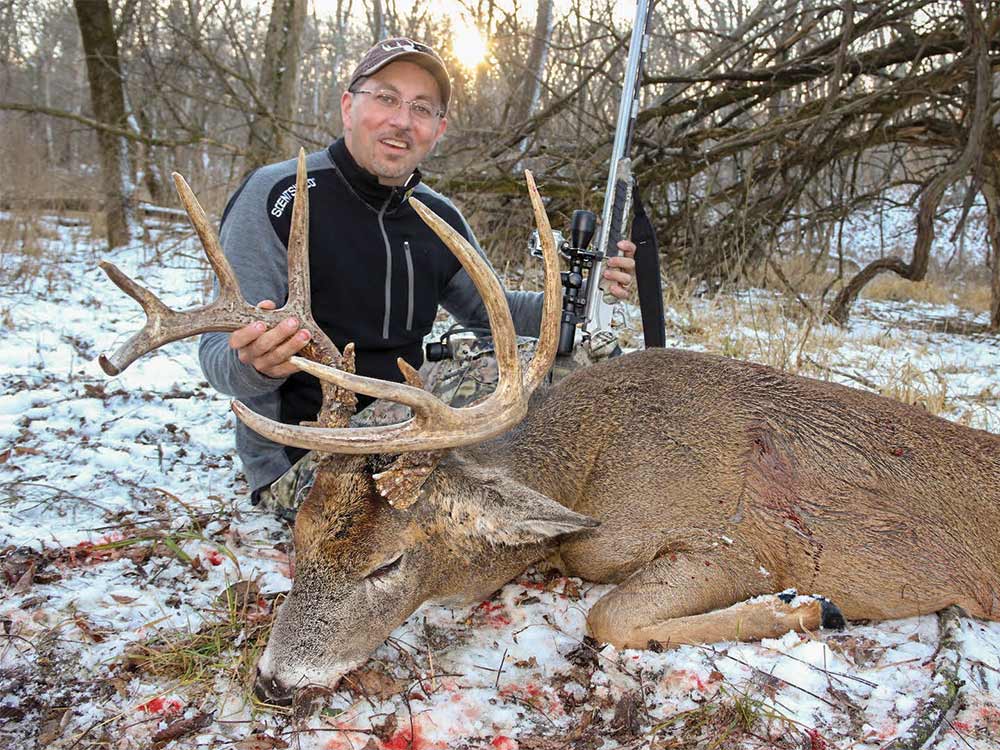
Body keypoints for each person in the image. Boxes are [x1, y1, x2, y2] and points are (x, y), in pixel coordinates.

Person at [199, 38, 636, 509]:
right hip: (310, 460)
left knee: (585, 355)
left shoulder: (435, 215)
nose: (402, 121)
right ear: (348, 107)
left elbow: (495, 314)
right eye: (386, 98)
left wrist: (582, 296)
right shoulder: (279, 195)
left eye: (422, 108)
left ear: (438, 128)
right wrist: (256, 365)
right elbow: (217, 355)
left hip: (415, 430)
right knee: (486, 376)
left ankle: (619, 496)